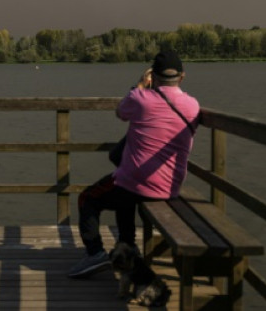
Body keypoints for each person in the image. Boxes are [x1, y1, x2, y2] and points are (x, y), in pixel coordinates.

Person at [67, 50, 199, 278]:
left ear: (153, 76)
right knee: (124, 187)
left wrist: (139, 84)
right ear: (182, 77)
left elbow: (121, 112)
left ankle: (95, 253)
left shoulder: (140, 99)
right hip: (169, 187)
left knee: (88, 198)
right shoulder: (193, 106)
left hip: (136, 184)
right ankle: (127, 246)